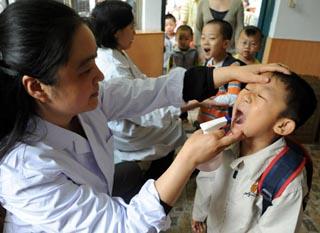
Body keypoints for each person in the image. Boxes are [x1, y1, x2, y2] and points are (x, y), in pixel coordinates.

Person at [0, 0, 289, 231]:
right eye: (85, 68)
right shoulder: (24, 170)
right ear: (36, 86)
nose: (99, 75)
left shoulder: (86, 102)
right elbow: (123, 225)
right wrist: (186, 159)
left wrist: (232, 72)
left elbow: (154, 90)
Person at [191, 71, 317, 233]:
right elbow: (206, 181)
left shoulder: (287, 181)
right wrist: (199, 213)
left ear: (283, 126)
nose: (245, 96)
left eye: (260, 96)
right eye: (247, 87)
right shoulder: (221, 143)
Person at [91, 1, 187, 202]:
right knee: (175, 127)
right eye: (131, 27)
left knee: (173, 119)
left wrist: (169, 101)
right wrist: (176, 108)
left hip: (128, 120)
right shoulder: (112, 66)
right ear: (117, 32)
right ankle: (157, 189)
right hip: (126, 132)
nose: (134, 32)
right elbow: (139, 112)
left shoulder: (116, 53)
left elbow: (141, 83)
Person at [196, 19, 244, 124]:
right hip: (203, 119)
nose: (205, 42)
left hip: (218, 123)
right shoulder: (208, 63)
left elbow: (233, 98)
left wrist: (210, 101)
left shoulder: (232, 67)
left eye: (212, 38)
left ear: (225, 43)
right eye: (203, 37)